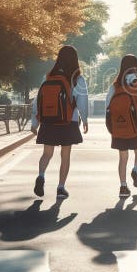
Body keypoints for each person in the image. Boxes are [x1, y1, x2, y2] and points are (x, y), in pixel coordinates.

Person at [31, 45, 90, 199]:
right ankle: (60, 188)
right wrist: (84, 119)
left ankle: (41, 176)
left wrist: (35, 123)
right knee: (65, 155)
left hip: (49, 121)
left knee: (47, 154)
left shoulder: (49, 76)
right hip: (68, 121)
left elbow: (38, 101)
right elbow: (82, 101)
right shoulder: (77, 78)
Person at [106, 54, 137, 198]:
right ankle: (136, 169)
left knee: (122, 158)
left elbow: (108, 106)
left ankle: (123, 187)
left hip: (119, 126)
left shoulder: (115, 85)